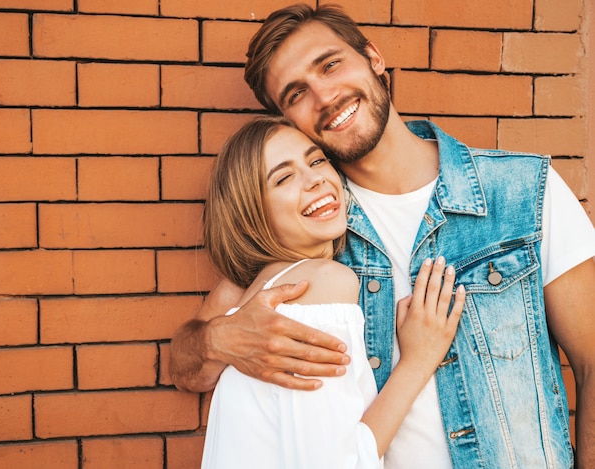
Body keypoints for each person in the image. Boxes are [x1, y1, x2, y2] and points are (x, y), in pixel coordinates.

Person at [170, 4, 595, 468]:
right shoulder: (304, 230)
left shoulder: (522, 191)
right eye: (296, 94)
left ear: (373, 58)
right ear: (289, 121)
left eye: (330, 64)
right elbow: (188, 364)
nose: (325, 96)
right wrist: (221, 339)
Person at [199, 116, 465, 468]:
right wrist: (418, 361)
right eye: (284, 177)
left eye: (316, 160)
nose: (315, 180)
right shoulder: (321, 284)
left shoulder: (256, 296)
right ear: (251, 214)